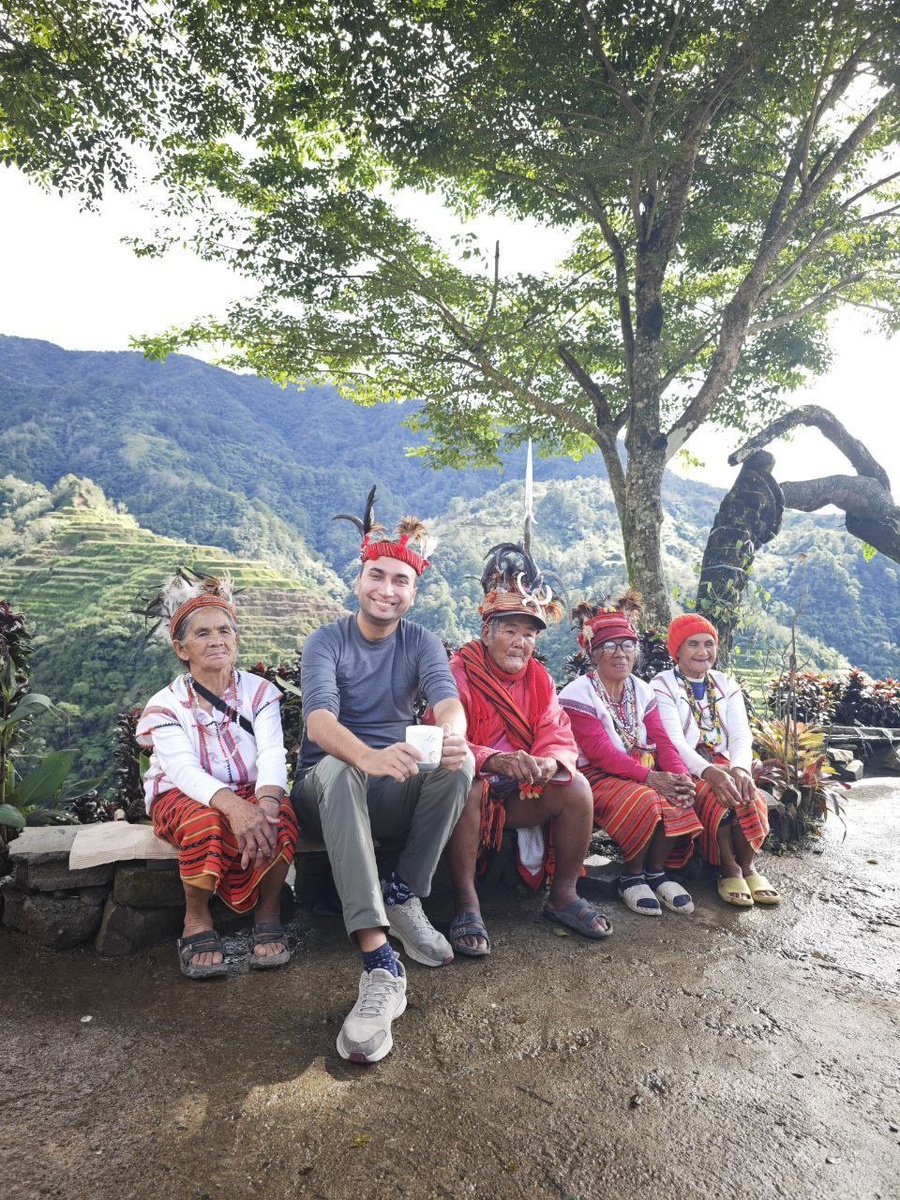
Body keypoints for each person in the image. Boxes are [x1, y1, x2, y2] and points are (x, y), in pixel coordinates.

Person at [292, 487, 474, 1064]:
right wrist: (367, 756)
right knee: (341, 769)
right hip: (324, 788)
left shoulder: (421, 642)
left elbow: (447, 701)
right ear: (359, 579)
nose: (387, 590)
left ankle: (402, 893)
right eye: (377, 576)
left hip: (388, 784)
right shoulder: (326, 641)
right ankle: (379, 960)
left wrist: (451, 733)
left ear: (414, 592)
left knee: (461, 764)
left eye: (401, 581)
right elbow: (319, 720)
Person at [444, 543, 611, 957]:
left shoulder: (539, 679)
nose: (520, 642)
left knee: (576, 789)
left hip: (520, 793)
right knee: (466, 783)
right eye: (510, 631)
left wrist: (547, 762)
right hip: (472, 792)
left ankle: (564, 896)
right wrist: (495, 760)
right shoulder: (458, 672)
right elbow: (445, 738)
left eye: (529, 634)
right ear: (487, 632)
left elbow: (556, 729)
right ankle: (466, 902)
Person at [136, 572, 298, 979]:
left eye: (224, 630)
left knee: (279, 817)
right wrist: (235, 809)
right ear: (181, 648)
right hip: (181, 795)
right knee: (206, 821)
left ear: (236, 640)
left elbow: (272, 752)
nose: (216, 640)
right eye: (203, 633)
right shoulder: (166, 705)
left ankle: (268, 911)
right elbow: (183, 771)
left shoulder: (260, 693)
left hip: (249, 788)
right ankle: (196, 919)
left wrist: (265, 804)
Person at [559, 596, 703, 917]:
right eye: (609, 646)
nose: (620, 653)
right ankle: (632, 875)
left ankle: (656, 872)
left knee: (679, 795)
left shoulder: (641, 689)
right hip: (592, 776)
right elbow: (601, 753)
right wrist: (651, 778)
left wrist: (679, 776)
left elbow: (662, 739)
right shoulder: (577, 694)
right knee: (647, 799)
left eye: (627, 645)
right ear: (592, 653)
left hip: (637, 770)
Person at [652, 614, 779, 907]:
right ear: (677, 650)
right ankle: (728, 868)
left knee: (747, 791)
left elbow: (741, 734)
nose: (702, 652)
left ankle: (748, 867)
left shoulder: (725, 683)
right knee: (716, 795)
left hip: (724, 760)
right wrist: (709, 771)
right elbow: (674, 741)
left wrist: (740, 769)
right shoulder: (662, 684)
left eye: (708, 644)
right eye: (693, 644)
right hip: (683, 764)